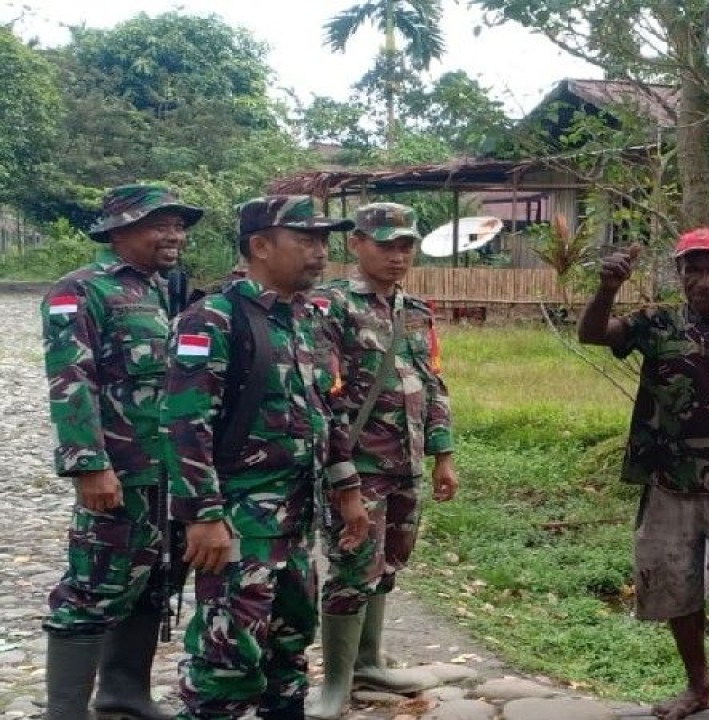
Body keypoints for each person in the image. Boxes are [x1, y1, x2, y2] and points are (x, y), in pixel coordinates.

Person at [162, 195, 370, 720]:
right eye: (305, 239)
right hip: (238, 522)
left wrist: (347, 492)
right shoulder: (212, 319)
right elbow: (186, 426)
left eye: (324, 240)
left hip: (297, 520)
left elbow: (331, 410)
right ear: (259, 246)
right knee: (227, 661)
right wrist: (203, 517)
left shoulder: (311, 318)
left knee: (288, 649)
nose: (320, 252)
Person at [577, 228, 709, 720]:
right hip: (668, 481)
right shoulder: (656, 322)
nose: (705, 279)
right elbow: (592, 334)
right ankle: (699, 686)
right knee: (676, 585)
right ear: (678, 273)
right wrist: (608, 287)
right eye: (692, 268)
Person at [40, 184, 204, 720]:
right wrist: (89, 465)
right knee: (92, 585)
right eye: (161, 224)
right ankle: (65, 711)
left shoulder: (161, 290)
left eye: (179, 225)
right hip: (119, 472)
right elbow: (72, 381)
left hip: (167, 470)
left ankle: (124, 693)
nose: (174, 235)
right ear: (119, 229)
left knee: (155, 578)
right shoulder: (81, 291)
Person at [305, 202, 457, 720]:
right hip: (358, 466)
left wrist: (443, 455)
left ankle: (368, 662)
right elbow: (323, 395)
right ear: (358, 244)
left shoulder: (416, 311)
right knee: (351, 569)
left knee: (388, 563)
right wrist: (340, 475)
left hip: (406, 463)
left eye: (406, 245)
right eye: (386, 244)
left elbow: (433, 385)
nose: (398, 255)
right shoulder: (331, 306)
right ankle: (336, 683)